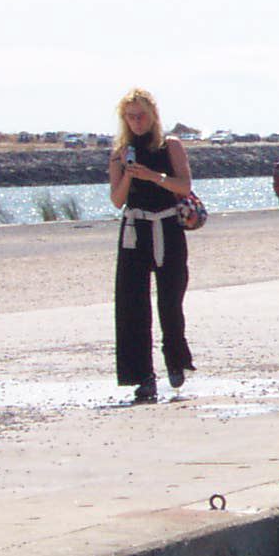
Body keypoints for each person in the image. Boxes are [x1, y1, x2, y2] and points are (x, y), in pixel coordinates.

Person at [107, 87, 195, 403]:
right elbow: (117, 200)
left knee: (170, 300)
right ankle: (142, 376)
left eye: (141, 116)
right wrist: (130, 175)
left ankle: (176, 360)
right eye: (130, 117)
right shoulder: (120, 152)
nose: (137, 122)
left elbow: (184, 185)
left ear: (153, 115)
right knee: (132, 305)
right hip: (135, 229)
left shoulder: (170, 146)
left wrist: (153, 176)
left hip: (168, 226)